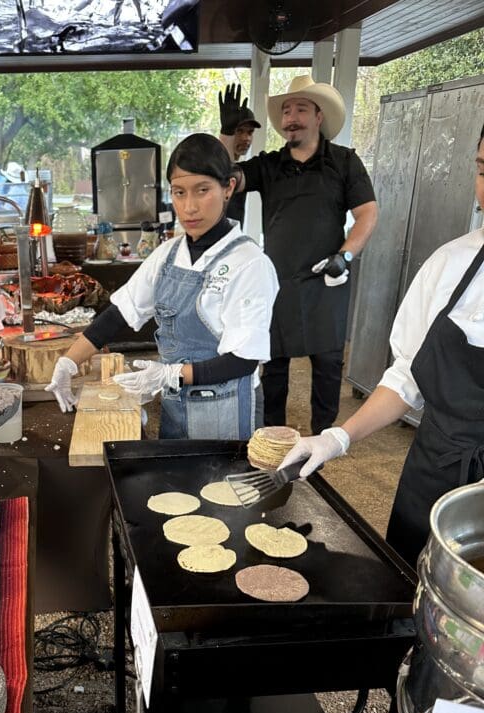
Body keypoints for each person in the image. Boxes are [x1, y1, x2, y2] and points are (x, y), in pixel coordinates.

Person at [277, 123, 484, 568]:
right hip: (434, 472)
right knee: (410, 590)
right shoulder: (451, 263)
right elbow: (408, 376)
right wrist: (337, 437)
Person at [46, 133, 279, 440]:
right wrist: (68, 362)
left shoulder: (249, 263)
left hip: (226, 411)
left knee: (220, 486)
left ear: (229, 188)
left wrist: (170, 374)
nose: (190, 207)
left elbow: (245, 360)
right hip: (177, 405)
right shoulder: (168, 254)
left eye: (202, 190)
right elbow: (120, 313)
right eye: (179, 193)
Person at [221, 74, 379, 435]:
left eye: (301, 109)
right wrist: (228, 136)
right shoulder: (270, 164)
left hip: (327, 279)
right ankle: (271, 440)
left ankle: (323, 439)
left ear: (319, 116)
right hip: (276, 282)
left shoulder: (344, 161)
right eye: (286, 111)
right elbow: (225, 177)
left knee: (327, 366)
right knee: (273, 367)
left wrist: (346, 256)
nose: (291, 118)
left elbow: (368, 213)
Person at [217, 83, 260, 226]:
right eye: (239, 131)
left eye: (250, 132)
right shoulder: (213, 163)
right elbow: (223, 171)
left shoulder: (243, 171)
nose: (246, 138)